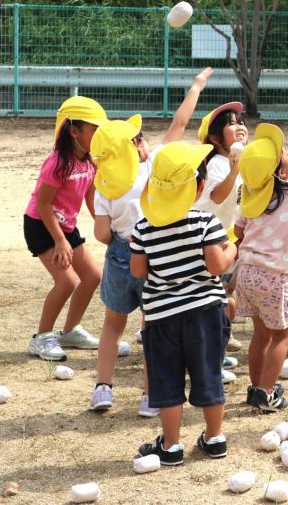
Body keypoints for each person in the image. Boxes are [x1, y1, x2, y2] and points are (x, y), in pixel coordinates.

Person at [89, 68, 214, 415]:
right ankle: (149, 396)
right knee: (151, 329)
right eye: (139, 138)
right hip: (154, 256)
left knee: (113, 323)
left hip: (118, 257)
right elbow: (179, 124)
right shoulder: (153, 168)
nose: (144, 142)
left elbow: (100, 233)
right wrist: (196, 87)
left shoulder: (105, 186)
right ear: (134, 148)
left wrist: (116, 233)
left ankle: (103, 388)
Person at [130, 142, 238, 465]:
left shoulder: (143, 227)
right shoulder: (206, 223)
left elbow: (139, 270)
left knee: (168, 378)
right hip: (205, 313)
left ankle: (172, 445)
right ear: (199, 186)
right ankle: (215, 437)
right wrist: (232, 247)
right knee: (209, 373)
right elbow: (218, 266)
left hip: (161, 317)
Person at [233, 124, 288, 413]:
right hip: (274, 275)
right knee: (283, 334)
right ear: (280, 170)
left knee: (261, 334)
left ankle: (256, 387)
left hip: (246, 272)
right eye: (285, 153)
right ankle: (267, 393)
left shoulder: (250, 193)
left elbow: (237, 231)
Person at [23, 96, 107, 362]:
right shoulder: (58, 162)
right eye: (95, 130)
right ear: (74, 131)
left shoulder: (90, 162)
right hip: (41, 225)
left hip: (65, 227)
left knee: (93, 276)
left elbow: (90, 199)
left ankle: (69, 332)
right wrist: (60, 241)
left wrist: (103, 223)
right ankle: (41, 337)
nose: (100, 135)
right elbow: (44, 204)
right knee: (67, 281)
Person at [194, 101, 249, 357]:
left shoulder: (237, 160)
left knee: (221, 290)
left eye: (240, 121)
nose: (239, 126)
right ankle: (214, 342)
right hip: (204, 237)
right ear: (215, 138)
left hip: (222, 234)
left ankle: (219, 336)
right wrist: (235, 167)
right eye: (231, 123)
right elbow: (217, 196)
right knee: (210, 289)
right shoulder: (217, 163)